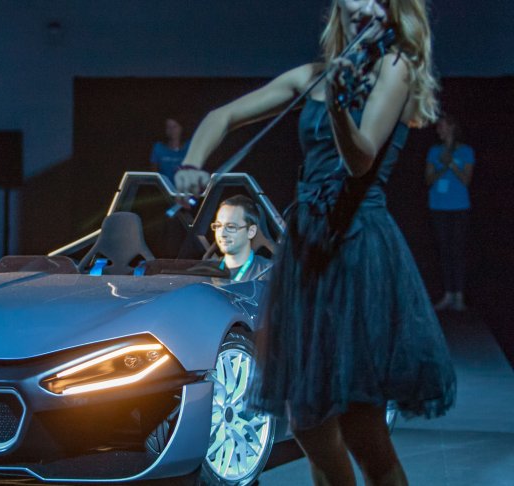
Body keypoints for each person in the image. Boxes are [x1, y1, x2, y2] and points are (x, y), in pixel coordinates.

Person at [175, 1, 456, 484]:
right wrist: (192, 164)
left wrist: (341, 106)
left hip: (355, 248)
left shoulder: (395, 68)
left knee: (363, 429)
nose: (368, 7)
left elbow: (360, 160)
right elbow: (223, 116)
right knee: (307, 422)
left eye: (382, 1)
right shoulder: (311, 76)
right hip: (307, 249)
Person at [425, 115, 474, 311]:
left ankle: (459, 296)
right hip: (438, 207)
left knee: (458, 251)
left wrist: (452, 163)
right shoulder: (434, 151)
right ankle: (448, 294)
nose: (438, 129)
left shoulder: (466, 151)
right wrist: (443, 165)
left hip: (459, 207)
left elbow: (466, 180)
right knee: (444, 252)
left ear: (452, 127)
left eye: (442, 125)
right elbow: (428, 180)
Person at [211, 195, 271, 281]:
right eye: (218, 226)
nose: (222, 233)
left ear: (251, 231)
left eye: (231, 227)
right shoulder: (204, 270)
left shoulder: (269, 273)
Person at [149, 118, 188, 184]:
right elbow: (154, 172)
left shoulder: (189, 146)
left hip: (186, 187)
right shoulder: (159, 147)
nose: (172, 130)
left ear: (181, 128)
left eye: (174, 127)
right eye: (168, 127)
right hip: (164, 187)